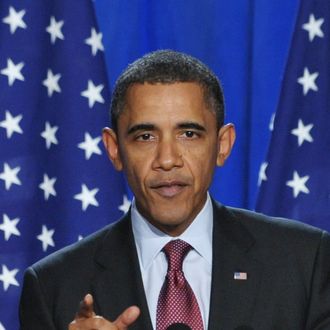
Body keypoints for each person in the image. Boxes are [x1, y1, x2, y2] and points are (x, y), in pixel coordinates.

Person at [19, 50, 330, 330]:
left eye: (189, 134)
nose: (167, 160)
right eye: (145, 137)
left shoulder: (305, 262)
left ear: (222, 145)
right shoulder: (53, 287)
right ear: (114, 150)